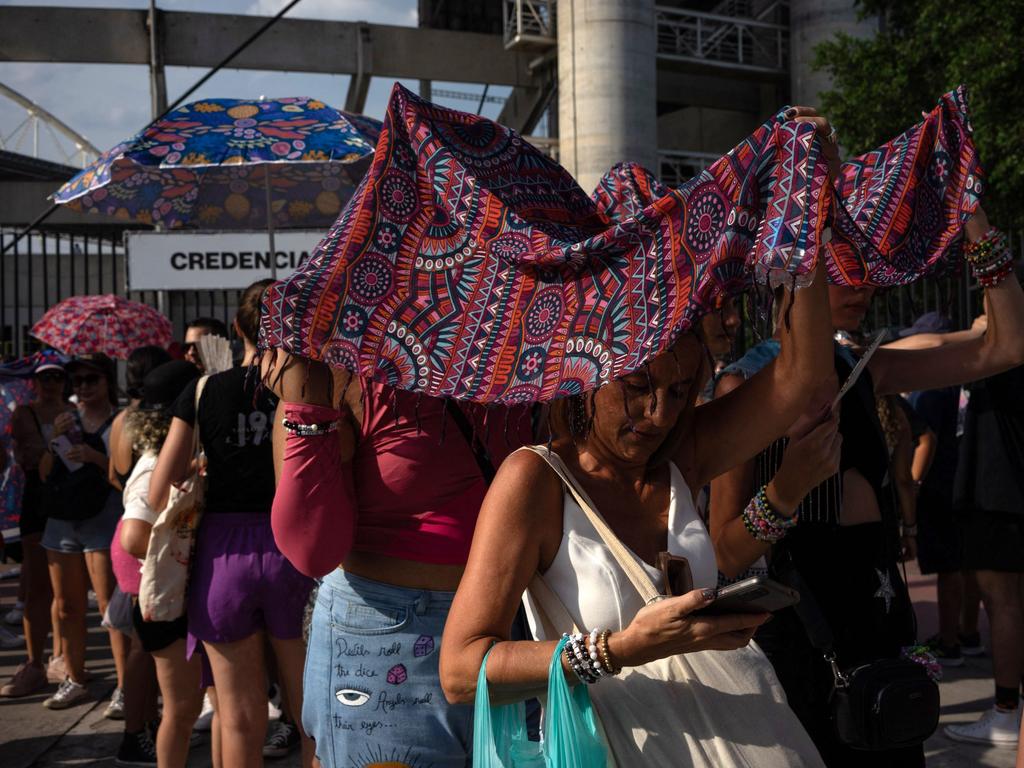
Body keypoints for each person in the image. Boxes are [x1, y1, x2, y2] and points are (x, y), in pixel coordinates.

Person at [438, 250, 834, 765]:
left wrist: (808, 215)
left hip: (759, 734)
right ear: (584, 373)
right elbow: (460, 671)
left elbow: (804, 370)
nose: (659, 414)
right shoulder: (535, 481)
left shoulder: (683, 456)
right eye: (637, 386)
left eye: (678, 391)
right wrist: (620, 650)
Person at [709, 207, 1024, 767]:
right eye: (840, 267)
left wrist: (971, 216)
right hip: (804, 653)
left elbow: (1006, 345)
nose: (864, 284)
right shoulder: (745, 384)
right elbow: (724, 551)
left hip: (881, 644)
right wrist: (786, 491)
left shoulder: (864, 368)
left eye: (866, 267)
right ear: (794, 276)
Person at [150, 281, 314, 768]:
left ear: (238, 329)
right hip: (295, 548)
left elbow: (160, 490)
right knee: (311, 715)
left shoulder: (203, 391)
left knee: (239, 715)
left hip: (222, 555)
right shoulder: (306, 386)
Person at [119, 359, 201, 767]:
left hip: (175, 600)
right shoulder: (153, 465)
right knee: (182, 710)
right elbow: (133, 538)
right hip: (165, 604)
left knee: (190, 707)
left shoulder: (175, 458)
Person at [944, 361, 1024, 747]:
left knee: (1004, 604)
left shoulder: (1006, 350)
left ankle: (1008, 711)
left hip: (998, 496)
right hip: (1000, 494)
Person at [38, 352, 123, 710]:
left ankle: (124, 685)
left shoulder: (121, 421)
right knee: (67, 607)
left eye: (92, 380)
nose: (83, 387)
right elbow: (43, 473)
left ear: (107, 381)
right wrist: (53, 441)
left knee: (109, 608)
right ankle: (74, 677)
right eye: (78, 382)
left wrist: (95, 457)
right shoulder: (65, 419)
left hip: (103, 520)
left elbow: (124, 474)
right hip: (62, 521)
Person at [0, 352, 71, 697]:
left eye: (57, 376)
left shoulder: (74, 411)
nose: (51, 383)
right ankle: (34, 661)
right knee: (37, 583)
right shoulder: (25, 412)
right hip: (38, 500)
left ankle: (63, 656)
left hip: (72, 501)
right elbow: (30, 455)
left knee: (66, 589)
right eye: (45, 377)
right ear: (35, 381)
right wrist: (58, 439)